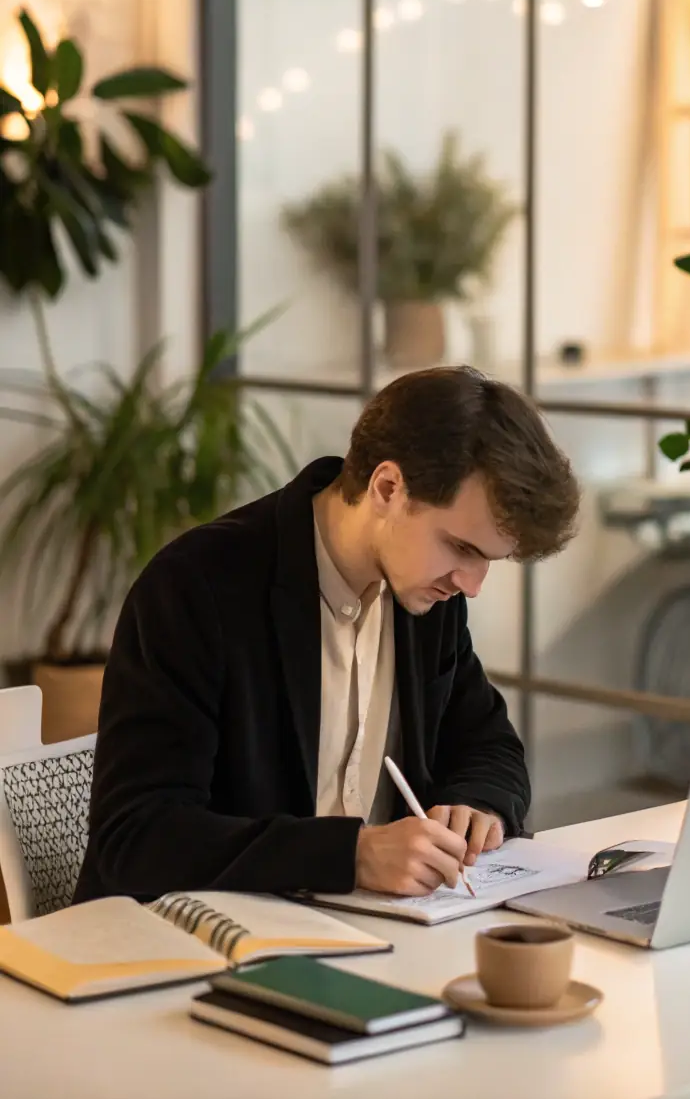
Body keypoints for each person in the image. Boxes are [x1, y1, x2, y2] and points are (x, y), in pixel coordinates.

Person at [74, 366, 579, 903]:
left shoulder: (426, 594)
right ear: (388, 487)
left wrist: (478, 803)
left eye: (487, 561)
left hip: (373, 938)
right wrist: (351, 855)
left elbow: (488, 742)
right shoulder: (196, 587)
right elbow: (138, 837)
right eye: (462, 548)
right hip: (196, 950)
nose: (472, 585)